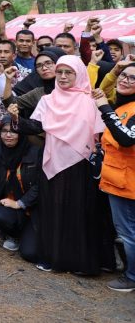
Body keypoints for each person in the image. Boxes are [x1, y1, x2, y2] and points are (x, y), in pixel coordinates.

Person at [12, 55, 116, 274]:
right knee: (55, 210)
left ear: (79, 74)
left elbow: (103, 133)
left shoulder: (91, 100)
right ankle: (54, 257)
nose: (63, 76)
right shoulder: (48, 100)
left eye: (69, 72)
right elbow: (35, 126)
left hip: (83, 164)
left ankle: (81, 262)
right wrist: (15, 120)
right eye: (59, 72)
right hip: (54, 163)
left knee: (81, 211)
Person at [0, 115, 42, 260]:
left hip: (34, 208)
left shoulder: (36, 153)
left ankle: (30, 233)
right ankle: (14, 234)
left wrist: (19, 203)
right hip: (11, 207)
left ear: (22, 133)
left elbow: (41, 185)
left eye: (13, 131)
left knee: (30, 254)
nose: (8, 135)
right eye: (4, 131)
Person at [93, 63, 135, 291]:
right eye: (124, 75)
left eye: (132, 78)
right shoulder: (124, 106)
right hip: (117, 180)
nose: (126, 80)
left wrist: (105, 109)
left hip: (128, 184)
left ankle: (132, 277)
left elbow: (127, 139)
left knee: (129, 233)